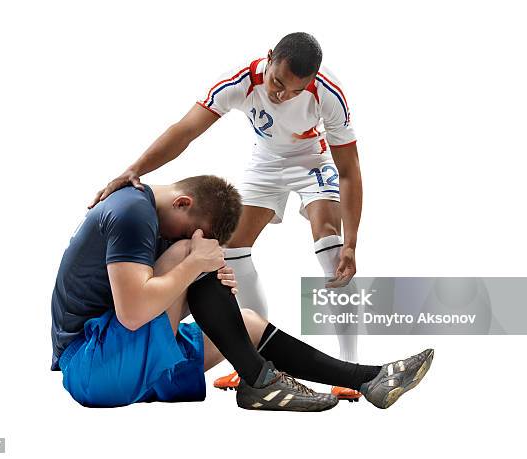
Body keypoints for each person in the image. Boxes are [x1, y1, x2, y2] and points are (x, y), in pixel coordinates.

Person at [88, 32, 365, 400]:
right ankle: (253, 362)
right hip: (266, 162)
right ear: (269, 58)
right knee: (230, 248)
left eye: (294, 91)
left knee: (330, 244)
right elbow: (185, 131)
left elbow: (349, 170)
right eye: (278, 83)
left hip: (312, 161)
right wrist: (134, 168)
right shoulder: (240, 82)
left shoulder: (328, 94)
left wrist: (352, 244)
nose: (281, 95)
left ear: (310, 83)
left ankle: (348, 369)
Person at [52, 175, 434, 410]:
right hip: (90, 366)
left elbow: (148, 306)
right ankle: (259, 381)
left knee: (246, 322)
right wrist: (193, 264)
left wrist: (205, 282)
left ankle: (369, 379)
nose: (181, 240)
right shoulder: (133, 213)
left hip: (118, 356)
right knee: (194, 255)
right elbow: (132, 314)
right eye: (188, 230)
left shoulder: (148, 214)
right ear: (183, 202)